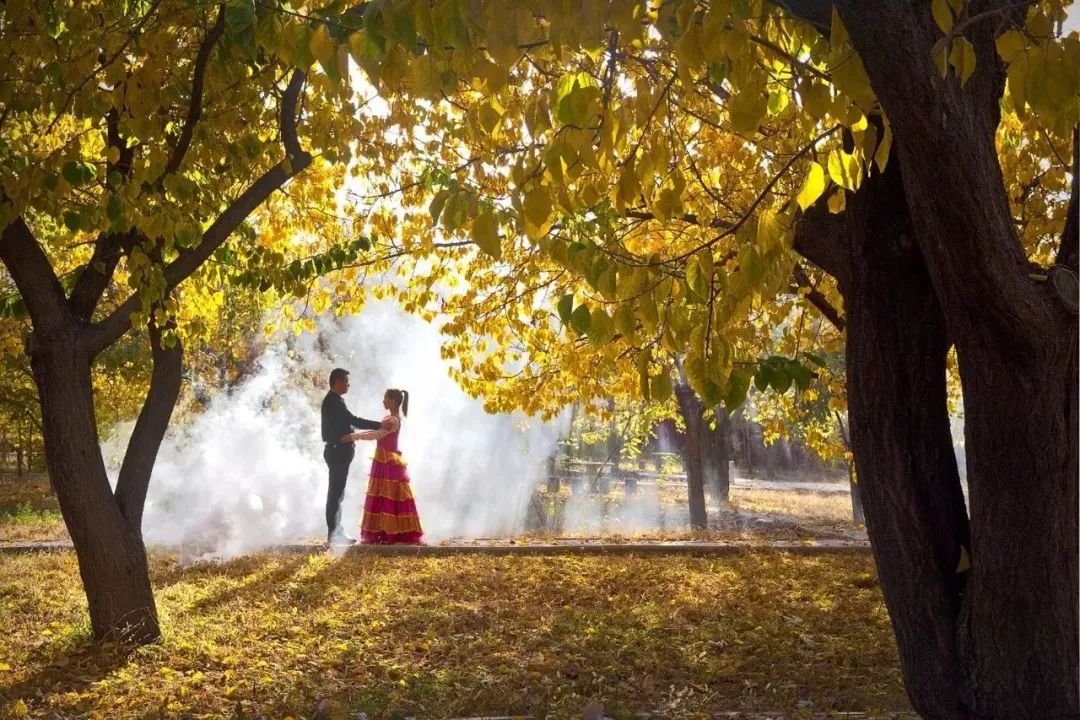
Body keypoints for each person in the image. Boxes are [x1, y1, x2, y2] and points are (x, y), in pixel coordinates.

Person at [347, 388, 423, 544]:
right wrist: (354, 433)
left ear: (393, 400)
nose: (383, 401)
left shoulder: (393, 420)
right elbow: (377, 430)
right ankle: (383, 532)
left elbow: (378, 434)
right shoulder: (389, 418)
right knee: (382, 496)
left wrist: (353, 436)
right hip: (383, 460)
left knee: (389, 496)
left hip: (388, 461)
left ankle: (391, 534)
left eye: (385, 398)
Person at [321, 368, 382, 545]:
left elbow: (346, 424)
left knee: (337, 492)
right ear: (337, 382)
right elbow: (353, 420)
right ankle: (334, 534)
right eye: (346, 381)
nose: (348, 384)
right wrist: (379, 425)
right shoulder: (334, 402)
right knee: (336, 493)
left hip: (339, 451)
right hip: (337, 451)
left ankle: (336, 532)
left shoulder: (336, 401)